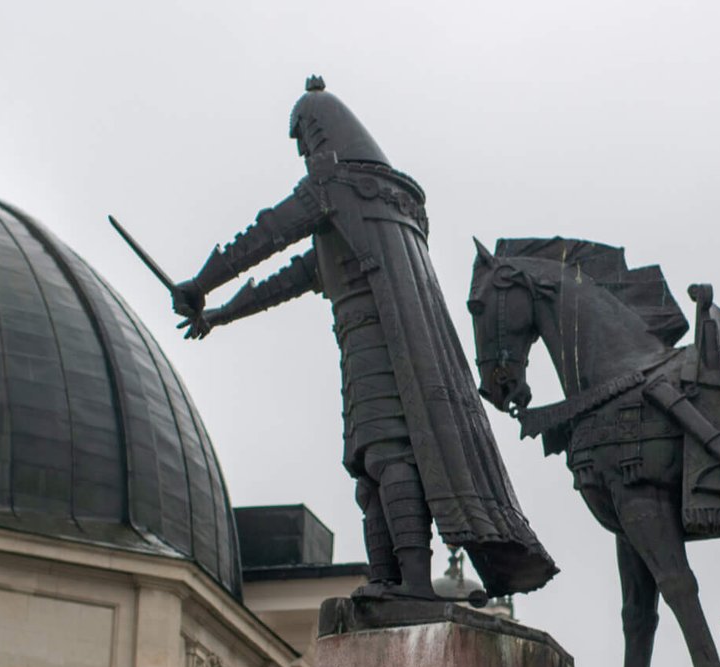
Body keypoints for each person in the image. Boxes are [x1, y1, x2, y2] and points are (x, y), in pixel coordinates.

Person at [173, 76, 556, 601]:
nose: (303, 155)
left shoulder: (338, 186)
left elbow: (267, 234)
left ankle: (414, 583)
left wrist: (200, 282)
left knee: (388, 455)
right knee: (368, 471)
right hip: (366, 346)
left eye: (304, 141)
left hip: (381, 345)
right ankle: (388, 581)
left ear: (318, 132)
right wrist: (218, 313)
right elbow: (292, 277)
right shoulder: (367, 210)